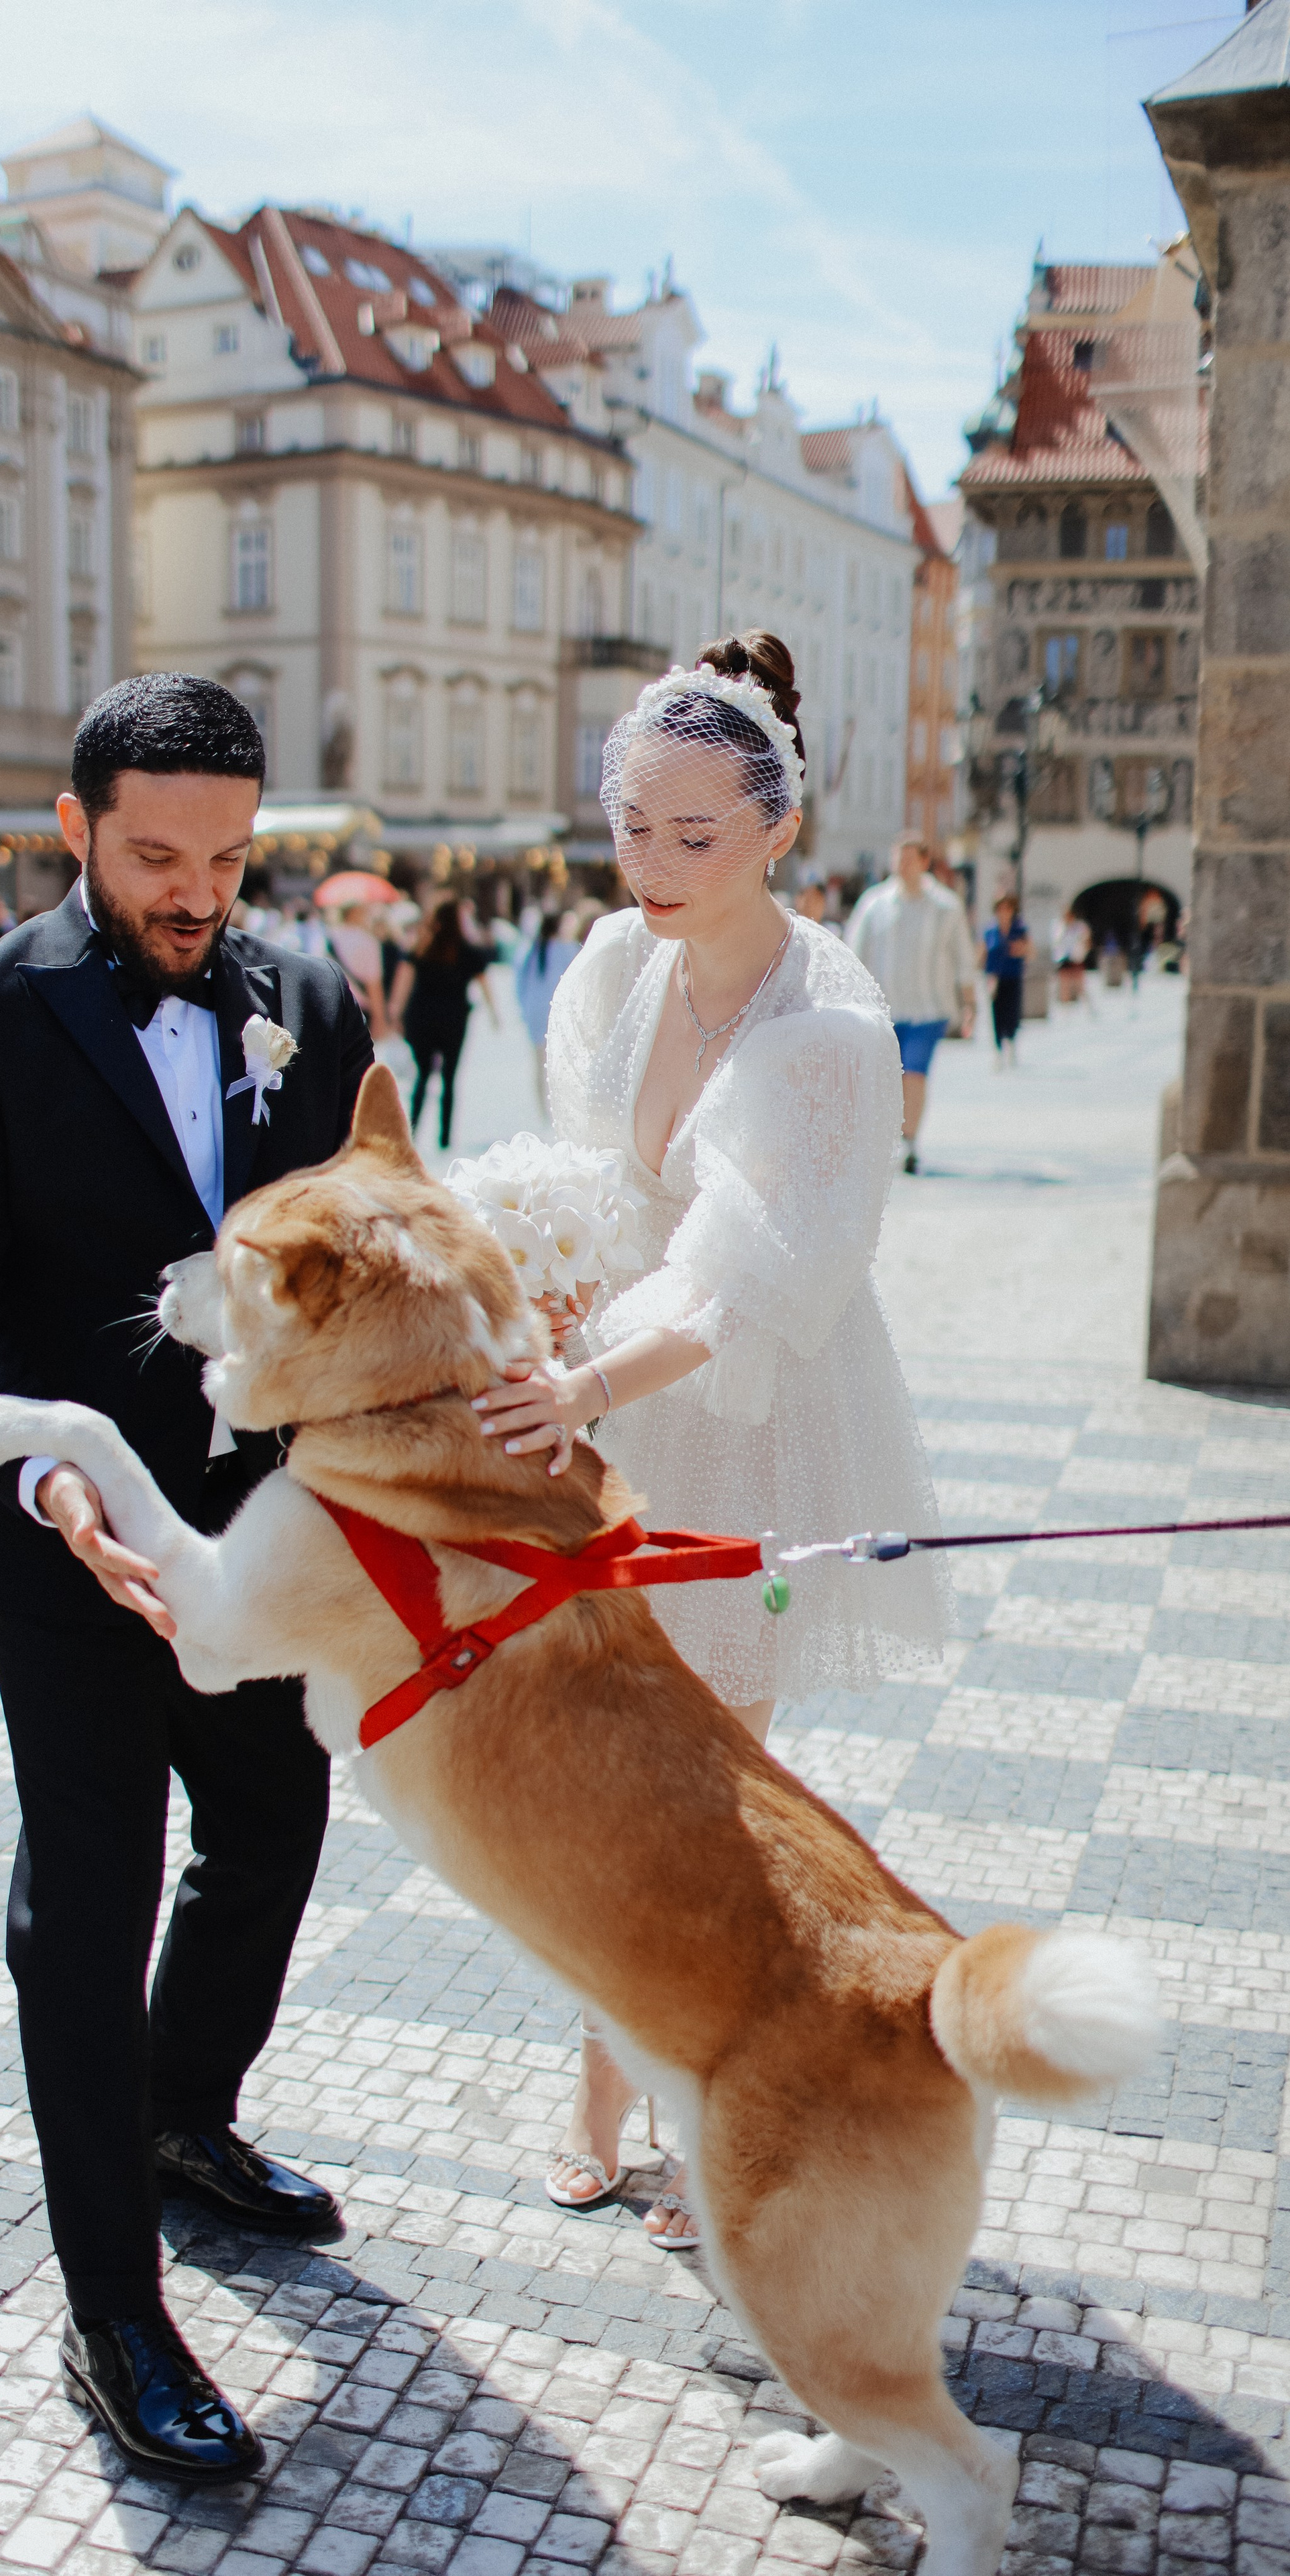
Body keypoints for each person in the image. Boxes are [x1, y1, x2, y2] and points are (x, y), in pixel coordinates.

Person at [0, 673, 373, 2484]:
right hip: (68, 1542)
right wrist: (38, 1469)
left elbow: (348, 1249)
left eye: (230, 858)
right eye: (159, 855)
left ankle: (187, 2115)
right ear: (76, 825)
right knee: (85, 1902)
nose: (198, 893)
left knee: (271, 1827)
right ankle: (112, 2311)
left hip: (261, 1536)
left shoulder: (304, 995)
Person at [470, 635, 949, 2249]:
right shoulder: (610, 961)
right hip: (597, 1402)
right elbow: (580, 1180)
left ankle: (704, 2106)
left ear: (771, 830)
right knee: (606, 1784)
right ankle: (601, 2087)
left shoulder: (827, 1025)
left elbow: (740, 1285)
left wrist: (581, 1386)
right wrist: (532, 1291)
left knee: (721, 1797)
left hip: (746, 1425)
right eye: (630, 832)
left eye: (693, 837)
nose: (655, 869)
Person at [845, 835, 975, 1174]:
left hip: (928, 1010)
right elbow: (853, 953)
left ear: (923, 862)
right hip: (881, 1012)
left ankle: (910, 1142)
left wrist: (969, 1002)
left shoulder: (946, 906)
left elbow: (962, 956)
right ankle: (886, 1138)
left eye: (908, 859)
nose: (901, 866)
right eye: (897, 859)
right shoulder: (875, 904)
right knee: (887, 1079)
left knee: (914, 1074)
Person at [390, 894, 494, 1149]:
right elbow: (485, 985)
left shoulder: (422, 947)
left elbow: (404, 981)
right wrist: (495, 1014)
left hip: (421, 1018)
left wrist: (395, 1012)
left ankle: (412, 1132)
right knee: (449, 1078)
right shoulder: (467, 951)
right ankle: (445, 1138)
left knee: (422, 1076)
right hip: (454, 1019)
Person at [515, 906, 582, 1112]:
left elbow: (519, 983)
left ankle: (542, 1107)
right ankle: (560, 1107)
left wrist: (524, 1009)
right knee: (563, 1064)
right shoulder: (567, 949)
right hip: (560, 1013)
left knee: (539, 1063)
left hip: (535, 1012)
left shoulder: (529, 949)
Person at [983, 892, 1031, 1064]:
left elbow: (1030, 951)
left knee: (1012, 1011)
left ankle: (1011, 1042)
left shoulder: (1019, 929)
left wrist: (1021, 949)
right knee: (997, 1013)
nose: (1004, 911)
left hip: (1013, 975)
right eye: (1001, 908)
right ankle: (998, 1049)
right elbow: (982, 953)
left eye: (1007, 908)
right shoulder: (990, 930)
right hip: (995, 977)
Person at [326, 901, 386, 1034]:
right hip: (359, 1010)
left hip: (329, 1008)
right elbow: (374, 984)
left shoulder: (327, 938)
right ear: (356, 912)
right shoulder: (367, 941)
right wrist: (380, 1019)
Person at [1053, 906, 1092, 1010]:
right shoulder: (1060, 928)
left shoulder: (1080, 928)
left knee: (1080, 986)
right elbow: (1057, 944)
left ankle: (1088, 1008)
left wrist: (1083, 952)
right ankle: (1065, 1009)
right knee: (1064, 986)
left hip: (1076, 959)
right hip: (1064, 959)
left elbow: (1087, 941)